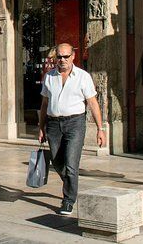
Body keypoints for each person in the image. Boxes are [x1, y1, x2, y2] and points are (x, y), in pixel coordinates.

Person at [38, 43, 107, 216]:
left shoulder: (83, 77)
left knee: (70, 164)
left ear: (73, 57)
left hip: (75, 123)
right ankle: (71, 182)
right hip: (53, 125)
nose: (62, 60)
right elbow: (45, 103)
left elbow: (92, 102)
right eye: (59, 57)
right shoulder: (49, 77)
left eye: (65, 56)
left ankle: (68, 200)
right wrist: (41, 127)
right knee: (57, 161)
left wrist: (100, 129)